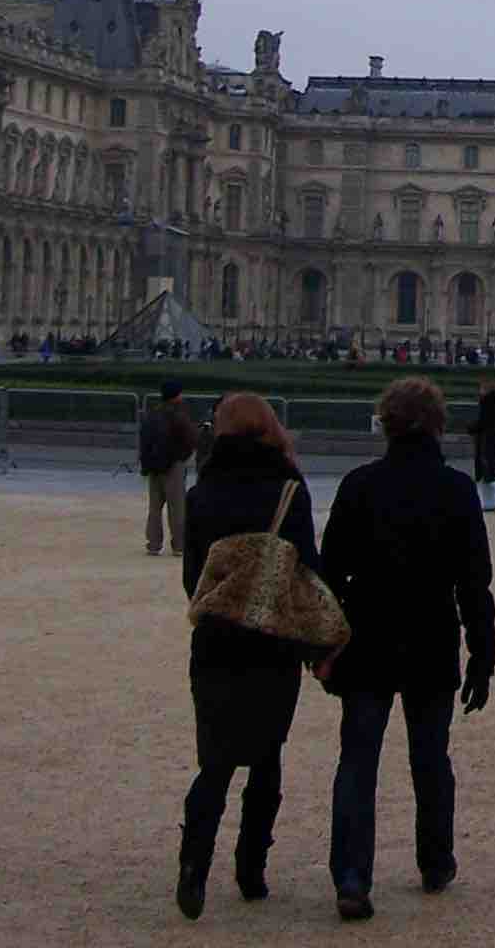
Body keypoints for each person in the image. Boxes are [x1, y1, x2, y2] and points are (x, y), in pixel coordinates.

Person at [317, 376, 495, 922]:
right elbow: (474, 582)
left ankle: (352, 876)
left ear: (385, 424)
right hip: (430, 639)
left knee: (357, 762)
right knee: (430, 760)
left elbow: (328, 577)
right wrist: (483, 655)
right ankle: (436, 861)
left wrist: (325, 644)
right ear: (439, 425)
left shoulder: (358, 485)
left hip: (367, 639)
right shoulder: (457, 489)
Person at [175, 393, 319, 918]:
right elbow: (306, 571)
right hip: (273, 641)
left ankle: (193, 866)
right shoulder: (289, 490)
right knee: (266, 756)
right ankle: (251, 868)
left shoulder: (202, 494)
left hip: (215, 640)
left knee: (213, 762)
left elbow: (193, 577)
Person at [139, 382, 200, 558]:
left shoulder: (152, 414)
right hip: (173, 465)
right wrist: (184, 455)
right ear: (176, 396)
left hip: (153, 466)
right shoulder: (179, 415)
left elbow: (144, 440)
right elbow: (192, 437)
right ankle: (179, 545)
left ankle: (153, 544)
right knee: (177, 508)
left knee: (154, 508)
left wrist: (145, 464)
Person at [467, 377, 495, 510]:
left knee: (487, 470)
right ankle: (488, 503)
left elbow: (482, 422)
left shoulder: (486, 402)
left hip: (485, 439)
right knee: (485, 470)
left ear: (486, 389)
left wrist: (471, 428)